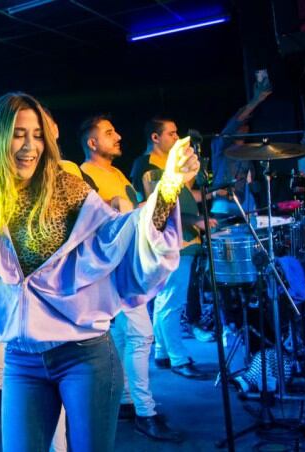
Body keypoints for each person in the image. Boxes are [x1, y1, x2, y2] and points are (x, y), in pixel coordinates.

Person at [0, 92, 198, 451]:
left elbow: (121, 238)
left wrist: (169, 187)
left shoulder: (64, 188)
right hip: (21, 359)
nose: (30, 145)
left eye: (36, 135)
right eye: (19, 134)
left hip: (85, 355)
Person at [77, 114, 182, 442]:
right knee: (141, 336)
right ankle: (146, 412)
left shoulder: (118, 172)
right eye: (109, 133)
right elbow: (88, 223)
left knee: (126, 338)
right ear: (92, 143)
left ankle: (125, 402)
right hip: (112, 272)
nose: (118, 136)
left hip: (127, 267)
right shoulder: (84, 175)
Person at [130, 116, 214, 379]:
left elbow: (185, 198)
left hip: (183, 239)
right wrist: (196, 220)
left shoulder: (168, 166)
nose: (178, 139)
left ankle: (163, 353)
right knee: (172, 301)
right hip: (172, 241)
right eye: (172, 134)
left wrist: (215, 193)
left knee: (169, 299)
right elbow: (159, 210)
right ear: (155, 138)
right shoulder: (148, 166)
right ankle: (179, 358)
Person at [210, 76, 273, 217]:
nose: (242, 127)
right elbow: (234, 123)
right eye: (240, 124)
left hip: (245, 209)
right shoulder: (220, 147)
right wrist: (256, 100)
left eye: (246, 123)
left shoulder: (250, 153)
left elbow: (253, 186)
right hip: (223, 208)